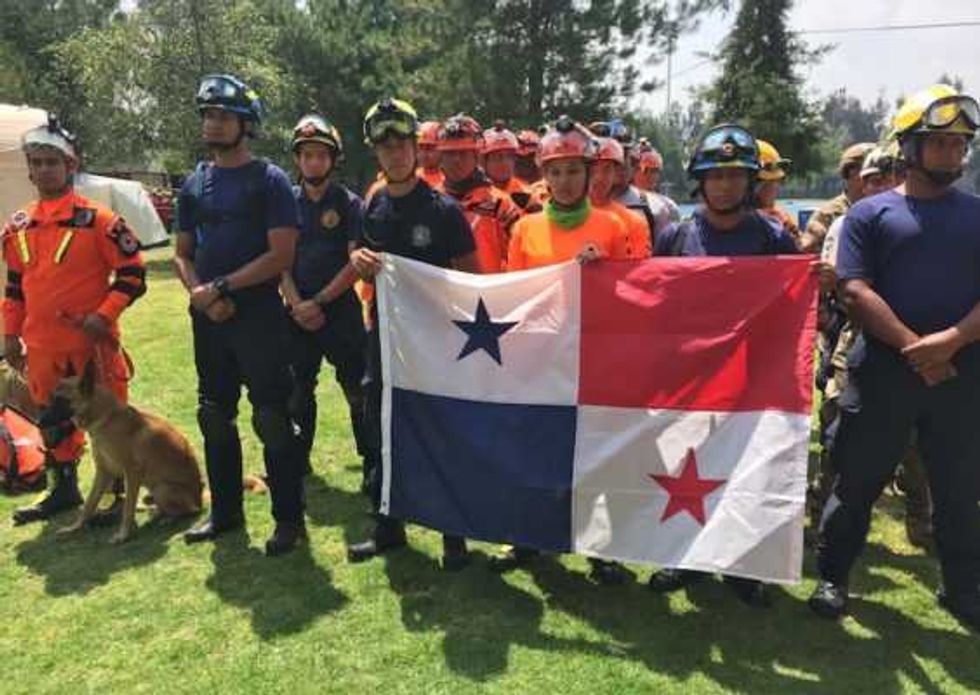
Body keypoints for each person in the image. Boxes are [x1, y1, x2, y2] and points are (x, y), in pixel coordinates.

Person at [808, 84, 980, 631]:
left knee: (960, 490)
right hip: (882, 374)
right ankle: (834, 578)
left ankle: (962, 590)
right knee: (855, 482)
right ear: (908, 146)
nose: (952, 153)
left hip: (961, 375)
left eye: (960, 144)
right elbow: (854, 290)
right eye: (940, 143)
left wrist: (950, 341)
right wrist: (915, 347)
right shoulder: (869, 215)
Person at [649, 124, 798, 607]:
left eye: (735, 175)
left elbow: (793, 306)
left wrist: (816, 278)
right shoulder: (676, 237)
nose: (725, 185)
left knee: (745, 472)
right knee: (688, 470)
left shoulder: (774, 237)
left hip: (753, 378)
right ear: (701, 181)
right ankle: (685, 557)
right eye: (716, 176)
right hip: (691, 379)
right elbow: (650, 300)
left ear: (751, 180)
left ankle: (739, 566)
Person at [346, 97, 480, 571]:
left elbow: (473, 280)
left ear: (418, 148)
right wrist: (357, 260)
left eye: (403, 143)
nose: (396, 153)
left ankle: (453, 536)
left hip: (438, 344)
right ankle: (388, 527)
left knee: (441, 432)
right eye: (386, 146)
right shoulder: (374, 203)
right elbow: (360, 254)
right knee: (382, 429)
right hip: (385, 338)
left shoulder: (444, 210)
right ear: (376, 152)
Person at [174, 74, 306, 556]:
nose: (212, 123)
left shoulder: (269, 181)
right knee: (214, 413)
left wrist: (223, 287)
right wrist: (201, 294)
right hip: (209, 317)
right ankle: (226, 512)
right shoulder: (194, 184)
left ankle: (289, 519)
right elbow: (182, 253)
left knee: (272, 417)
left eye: (223, 116)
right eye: (208, 115)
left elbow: (281, 255)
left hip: (258, 316)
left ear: (246, 124)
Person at [501, 117, 634, 586]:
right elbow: (513, 294)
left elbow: (635, 294)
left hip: (595, 358)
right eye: (555, 171)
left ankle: (601, 548)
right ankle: (527, 537)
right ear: (543, 174)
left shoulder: (615, 226)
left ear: (591, 171)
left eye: (574, 170)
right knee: (536, 449)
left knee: (596, 451)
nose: (564, 181)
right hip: (541, 359)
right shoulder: (525, 229)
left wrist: (605, 273)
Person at [4, 115, 146, 526]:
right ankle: (64, 489)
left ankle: (118, 496)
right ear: (29, 170)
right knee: (51, 418)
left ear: (71, 165)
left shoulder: (100, 221)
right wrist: (10, 335)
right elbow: (14, 288)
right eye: (37, 163)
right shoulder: (18, 226)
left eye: (53, 162)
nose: (44, 170)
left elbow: (133, 275)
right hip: (42, 346)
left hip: (91, 345)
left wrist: (105, 315)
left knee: (109, 419)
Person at [280, 114, 372, 490]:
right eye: (307, 155)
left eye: (321, 155)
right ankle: (298, 462)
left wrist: (318, 301)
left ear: (333, 160)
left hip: (339, 310)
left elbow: (355, 262)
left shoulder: (350, 204)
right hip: (295, 312)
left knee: (357, 389)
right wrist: (296, 304)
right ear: (297, 159)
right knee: (297, 389)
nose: (313, 162)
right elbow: (279, 260)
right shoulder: (284, 203)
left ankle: (371, 464)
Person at [436, 113, 521, 273]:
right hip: (441, 288)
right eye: (450, 153)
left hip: (488, 288)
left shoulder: (500, 204)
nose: (456, 160)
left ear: (477, 156)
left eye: (463, 153)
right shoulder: (430, 202)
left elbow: (524, 252)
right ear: (440, 156)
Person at [798, 142, 875, 253]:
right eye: (867, 172)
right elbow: (807, 249)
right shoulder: (829, 214)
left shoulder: (888, 208)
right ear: (849, 173)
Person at [589, 137, 652, 258]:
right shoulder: (563, 217)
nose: (599, 177)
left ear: (615, 173)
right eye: (592, 170)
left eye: (607, 169)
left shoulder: (635, 223)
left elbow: (640, 267)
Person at [483, 122, 543, 213]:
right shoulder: (473, 195)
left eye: (509, 156)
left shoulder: (530, 194)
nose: (505, 162)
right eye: (497, 157)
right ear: (483, 162)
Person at [754, 139, 800, 243]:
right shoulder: (781, 222)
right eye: (766, 183)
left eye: (775, 181)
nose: (774, 187)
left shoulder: (784, 221)